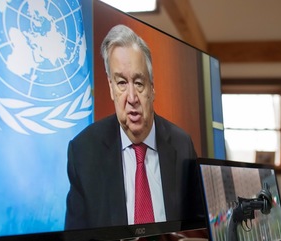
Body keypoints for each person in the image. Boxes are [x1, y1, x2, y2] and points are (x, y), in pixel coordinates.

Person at [65, 24, 202, 230]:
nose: (131, 98)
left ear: (152, 88)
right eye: (121, 83)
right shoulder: (84, 152)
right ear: (111, 88)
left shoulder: (182, 146)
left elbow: (198, 229)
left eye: (139, 83)